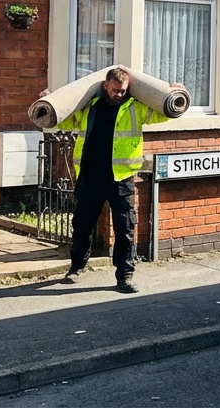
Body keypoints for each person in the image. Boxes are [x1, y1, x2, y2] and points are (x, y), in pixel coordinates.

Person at [55, 67, 177, 293]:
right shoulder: (90, 107)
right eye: (115, 90)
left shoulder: (135, 108)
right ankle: (76, 268)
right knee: (82, 225)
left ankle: (125, 276)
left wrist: (175, 95)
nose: (119, 94)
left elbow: (164, 113)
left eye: (123, 91)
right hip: (90, 175)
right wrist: (47, 103)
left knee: (125, 229)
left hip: (121, 178)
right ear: (105, 86)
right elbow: (65, 120)